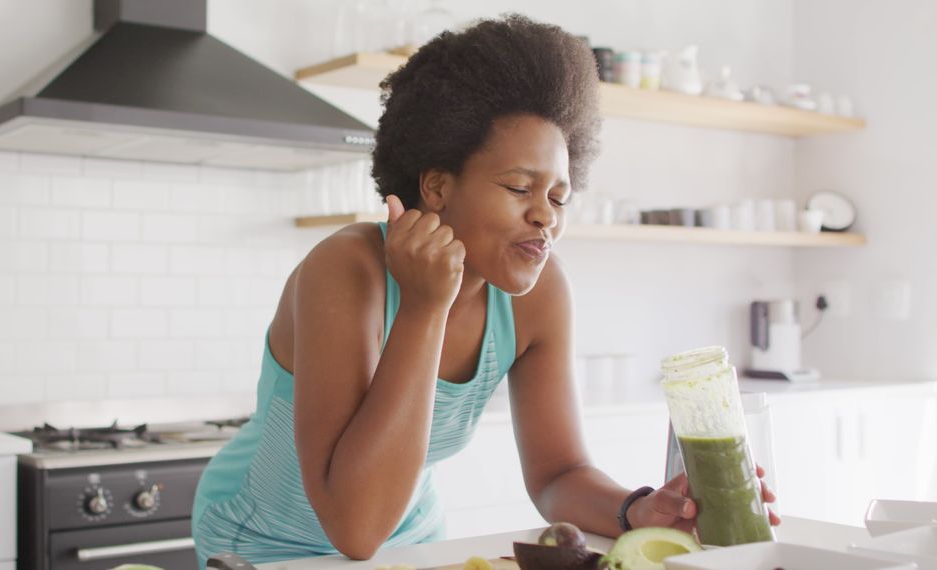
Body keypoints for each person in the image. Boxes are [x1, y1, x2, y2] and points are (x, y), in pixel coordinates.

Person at [192, 14, 778, 566]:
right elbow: (355, 526)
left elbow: (558, 473)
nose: (545, 217)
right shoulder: (347, 271)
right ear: (438, 186)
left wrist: (635, 510)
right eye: (520, 187)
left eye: (558, 197)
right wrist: (426, 307)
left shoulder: (539, 293)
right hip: (262, 546)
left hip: (412, 542)